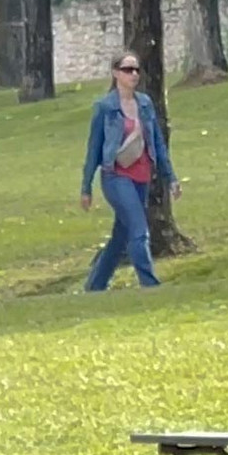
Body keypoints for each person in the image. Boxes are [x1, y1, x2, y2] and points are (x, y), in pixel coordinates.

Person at [79, 52, 179, 291]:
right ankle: (150, 284)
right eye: (127, 69)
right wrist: (86, 187)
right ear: (115, 74)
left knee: (120, 238)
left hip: (141, 176)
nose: (133, 74)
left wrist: (171, 177)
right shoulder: (105, 107)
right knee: (139, 229)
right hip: (115, 177)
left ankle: (95, 286)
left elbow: (157, 142)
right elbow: (94, 149)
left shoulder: (144, 104)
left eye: (136, 70)